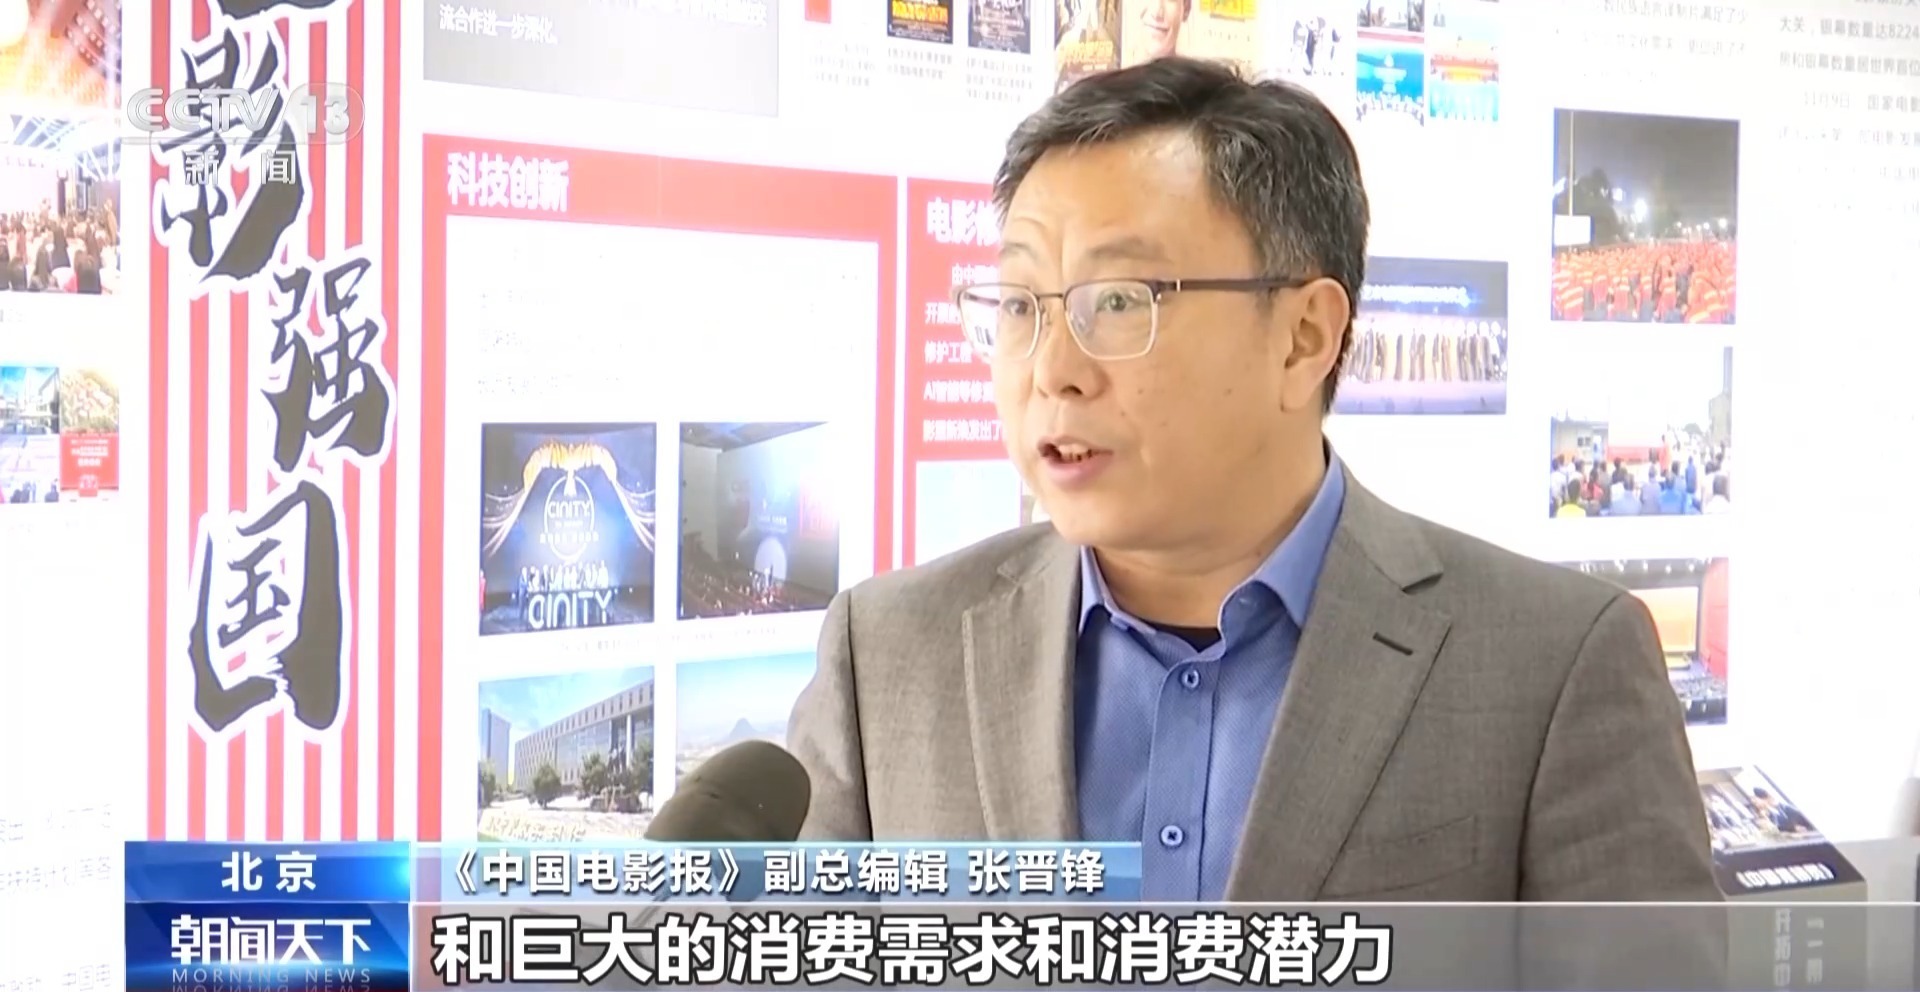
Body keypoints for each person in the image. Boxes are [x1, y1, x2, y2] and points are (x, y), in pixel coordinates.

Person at [789, 58, 1719, 906]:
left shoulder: (1555, 667)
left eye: (1120, 301)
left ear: (1304, 338)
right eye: (1021, 305)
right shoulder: (888, 654)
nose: (1052, 371)